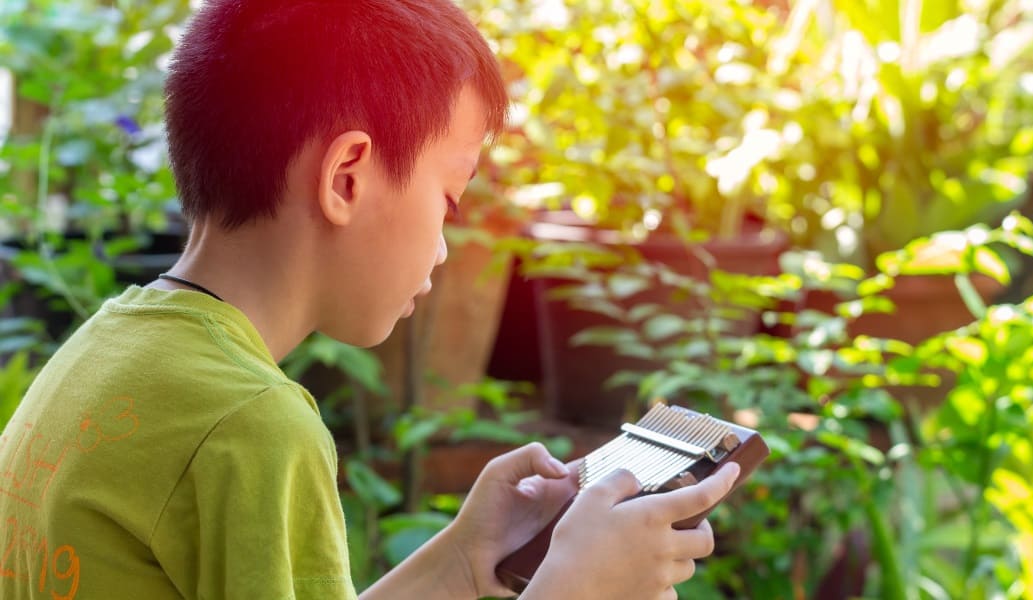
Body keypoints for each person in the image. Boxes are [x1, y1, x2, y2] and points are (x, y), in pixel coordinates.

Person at [0, 1, 741, 598]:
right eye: (447, 201)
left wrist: (460, 558)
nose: (447, 245)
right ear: (348, 177)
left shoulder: (106, 352)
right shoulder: (250, 426)